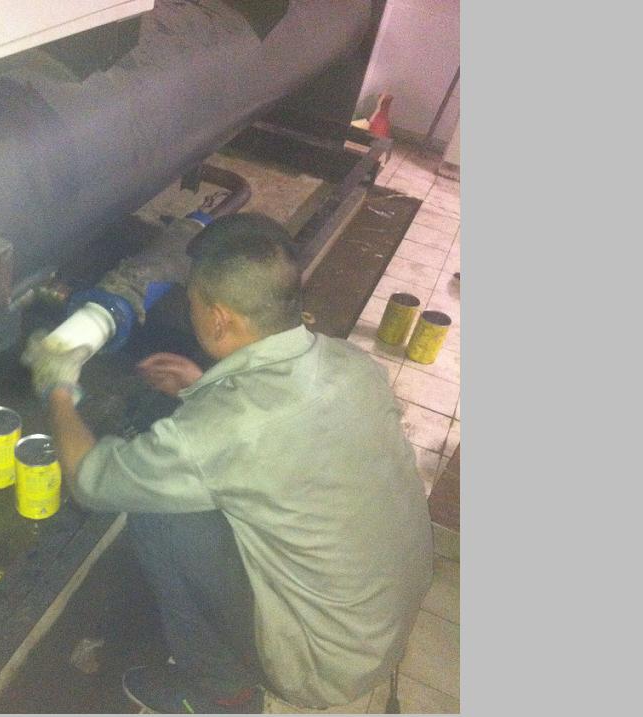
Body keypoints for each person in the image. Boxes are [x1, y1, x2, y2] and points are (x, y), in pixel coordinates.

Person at [24, 213, 434, 713]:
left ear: (219, 318)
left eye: (193, 302)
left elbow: (92, 481)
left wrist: (58, 386)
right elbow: (277, 434)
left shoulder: (229, 429)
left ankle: (221, 695)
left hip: (321, 660)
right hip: (385, 614)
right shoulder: (352, 365)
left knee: (161, 515)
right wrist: (203, 388)